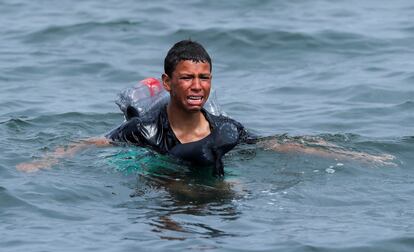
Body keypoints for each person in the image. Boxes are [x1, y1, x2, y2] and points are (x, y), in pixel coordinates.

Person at [16, 40, 394, 175]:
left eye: (204, 78)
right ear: (167, 82)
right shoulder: (143, 131)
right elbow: (91, 143)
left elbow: (276, 144)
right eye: (186, 78)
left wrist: (356, 156)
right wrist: (45, 161)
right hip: (158, 164)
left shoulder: (226, 129)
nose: (197, 86)